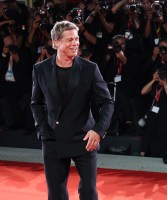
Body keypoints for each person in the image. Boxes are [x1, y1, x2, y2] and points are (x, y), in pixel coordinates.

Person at [31, 21, 114, 200]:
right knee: (56, 194)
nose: (75, 43)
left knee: (89, 192)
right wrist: (42, 129)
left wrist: (98, 131)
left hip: (85, 138)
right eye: (70, 40)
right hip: (53, 138)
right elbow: (36, 103)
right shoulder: (41, 69)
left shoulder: (89, 68)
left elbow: (107, 102)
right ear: (56, 42)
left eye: (76, 39)